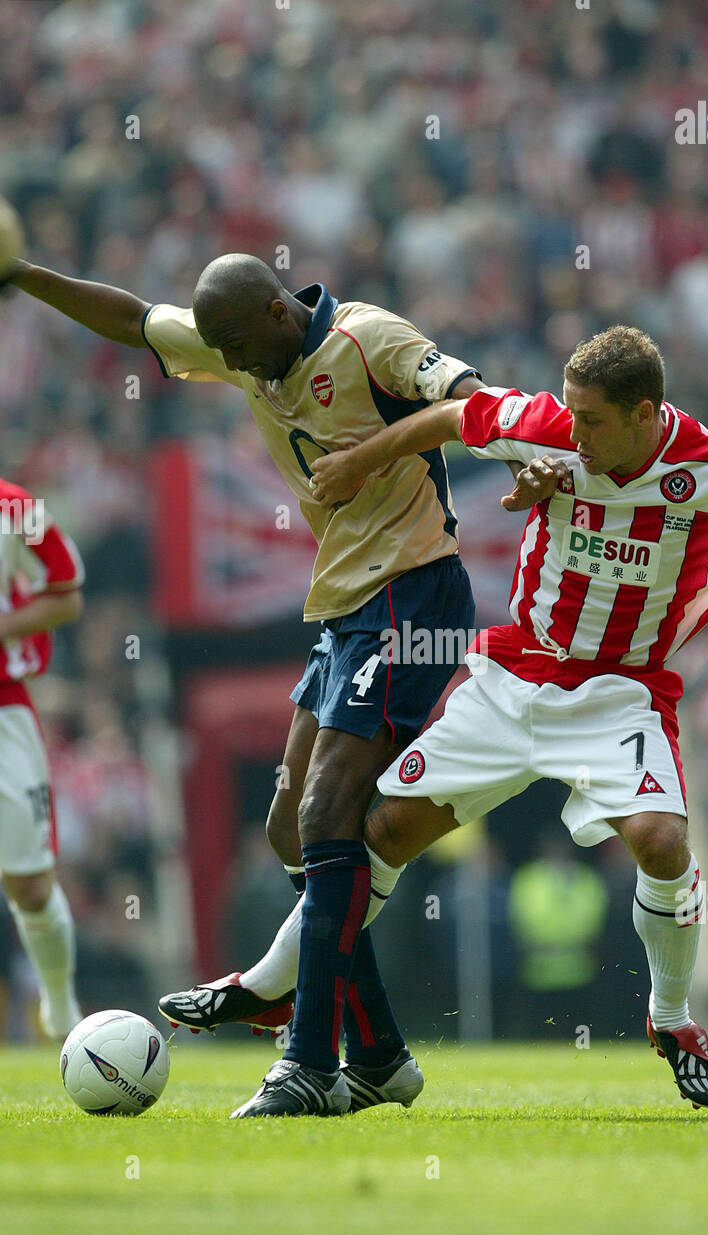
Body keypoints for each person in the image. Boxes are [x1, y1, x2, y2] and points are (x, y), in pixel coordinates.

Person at [237, 323, 708, 1110]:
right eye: (569, 413)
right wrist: (356, 461)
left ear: (644, 413)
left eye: (593, 419)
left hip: (618, 692)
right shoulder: (548, 431)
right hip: (512, 678)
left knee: (662, 841)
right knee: (381, 834)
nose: (575, 432)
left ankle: (670, 1018)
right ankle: (286, 992)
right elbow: (446, 418)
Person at [8, 250, 493, 1116]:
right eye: (217, 349)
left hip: (414, 590)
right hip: (346, 601)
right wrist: (22, 273)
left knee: (325, 815)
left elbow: (472, 403)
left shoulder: (367, 336)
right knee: (287, 831)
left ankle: (308, 1060)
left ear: (277, 313)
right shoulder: (240, 341)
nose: (229, 366)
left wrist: (369, 454)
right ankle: (380, 1056)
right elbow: (130, 319)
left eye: (236, 344)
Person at [0, 477, 85, 1039]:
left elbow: (67, 593)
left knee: (29, 886)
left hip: (4, 706)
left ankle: (59, 1004)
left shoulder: (15, 509)